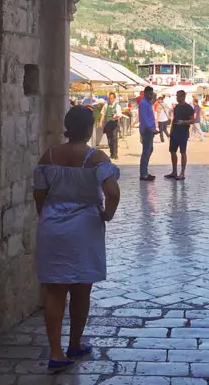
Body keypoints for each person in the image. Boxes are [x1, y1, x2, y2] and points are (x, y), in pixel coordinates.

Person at [33, 106, 121, 372]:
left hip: (52, 225)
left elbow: (39, 193)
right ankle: (75, 343)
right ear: (88, 128)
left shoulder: (48, 156)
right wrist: (107, 214)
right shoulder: (96, 158)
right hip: (85, 227)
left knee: (55, 289)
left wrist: (46, 215)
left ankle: (56, 352)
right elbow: (112, 192)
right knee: (82, 289)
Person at [166, 90, 195, 180]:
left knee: (183, 152)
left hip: (183, 132)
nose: (176, 98)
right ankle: (174, 171)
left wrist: (184, 122)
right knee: (172, 151)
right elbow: (174, 119)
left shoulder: (188, 108)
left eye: (178, 96)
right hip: (175, 132)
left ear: (182, 97)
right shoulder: (177, 107)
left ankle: (182, 172)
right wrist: (171, 131)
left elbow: (193, 120)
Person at [138, 86, 157, 181]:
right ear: (145, 93)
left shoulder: (148, 103)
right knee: (146, 151)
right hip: (147, 130)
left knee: (149, 150)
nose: (151, 96)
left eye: (152, 94)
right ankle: (143, 174)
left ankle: (145, 171)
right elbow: (144, 119)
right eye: (149, 94)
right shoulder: (143, 103)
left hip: (150, 130)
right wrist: (151, 129)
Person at [100, 92, 122, 160]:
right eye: (109, 98)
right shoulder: (106, 105)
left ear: (114, 98)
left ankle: (115, 154)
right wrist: (101, 122)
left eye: (111, 98)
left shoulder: (117, 106)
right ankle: (111, 153)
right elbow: (103, 114)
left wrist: (117, 117)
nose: (110, 100)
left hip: (114, 124)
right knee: (109, 139)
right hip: (107, 124)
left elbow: (119, 115)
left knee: (114, 139)